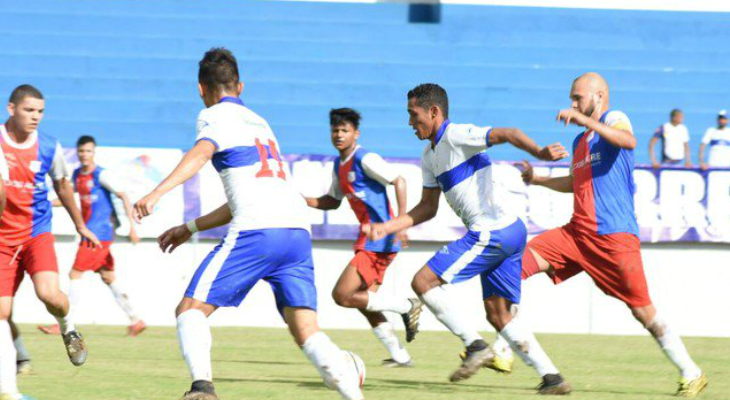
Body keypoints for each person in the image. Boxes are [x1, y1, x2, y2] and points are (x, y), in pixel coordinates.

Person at [132, 48, 364, 400]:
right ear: (241, 85)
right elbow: (247, 194)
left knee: (189, 310)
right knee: (306, 330)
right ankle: (354, 392)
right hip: (296, 231)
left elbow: (200, 153)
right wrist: (189, 228)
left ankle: (202, 388)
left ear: (200, 89)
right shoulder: (261, 124)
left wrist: (156, 192)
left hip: (258, 231)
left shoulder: (212, 115)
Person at [364, 83, 571, 394]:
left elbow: (510, 133)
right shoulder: (429, 155)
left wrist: (539, 153)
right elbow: (428, 208)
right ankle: (552, 377)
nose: (409, 122)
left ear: (433, 112)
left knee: (422, 283)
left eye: (413, 114)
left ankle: (475, 346)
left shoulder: (457, 135)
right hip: (511, 230)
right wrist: (390, 226)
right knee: (498, 314)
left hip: (493, 231)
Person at [520, 72, 707, 397]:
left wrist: (582, 118)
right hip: (576, 235)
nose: (572, 104)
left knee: (643, 311)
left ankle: (692, 372)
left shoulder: (615, 119)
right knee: (514, 265)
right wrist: (538, 179)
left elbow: (628, 141)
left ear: (599, 97)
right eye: (571, 99)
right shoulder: (580, 143)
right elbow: (573, 183)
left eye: (578, 98)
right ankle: (508, 349)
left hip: (613, 237)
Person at [0, 84, 98, 400]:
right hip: (2, 239)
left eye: (40, 111)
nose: (36, 117)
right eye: (29, 110)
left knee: (50, 296)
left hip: (35, 234)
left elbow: (63, 185)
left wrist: (80, 225)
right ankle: (11, 392)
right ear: (11, 109)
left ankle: (68, 327)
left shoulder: (48, 146)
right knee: (1, 311)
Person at [305, 108, 419, 368]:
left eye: (344, 130)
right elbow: (332, 202)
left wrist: (399, 223)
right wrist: (302, 200)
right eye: (335, 130)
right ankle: (400, 355)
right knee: (364, 301)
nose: (339, 135)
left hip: (380, 239)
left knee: (342, 294)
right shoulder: (339, 164)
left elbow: (399, 180)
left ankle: (406, 305)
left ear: (356, 133)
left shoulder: (365, 158)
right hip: (370, 238)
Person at [38, 135, 146, 337]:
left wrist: (132, 227)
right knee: (108, 276)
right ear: (77, 153)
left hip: (98, 234)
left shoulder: (101, 175)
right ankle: (136, 320)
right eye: (81, 151)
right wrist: (45, 203)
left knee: (75, 274)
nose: (84, 155)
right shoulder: (78, 174)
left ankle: (65, 323)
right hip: (94, 233)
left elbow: (123, 195)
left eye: (88, 151)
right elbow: (67, 198)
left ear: (94, 153)